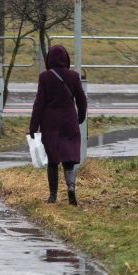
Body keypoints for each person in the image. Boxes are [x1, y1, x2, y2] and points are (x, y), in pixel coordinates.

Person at [29, 44, 88, 205]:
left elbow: (39, 103)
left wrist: (33, 126)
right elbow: (82, 100)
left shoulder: (45, 77)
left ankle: (53, 196)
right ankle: (71, 189)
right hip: (69, 121)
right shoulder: (74, 76)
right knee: (69, 160)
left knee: (53, 161)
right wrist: (80, 118)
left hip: (50, 123)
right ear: (66, 58)